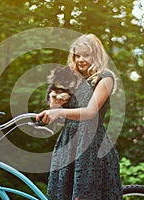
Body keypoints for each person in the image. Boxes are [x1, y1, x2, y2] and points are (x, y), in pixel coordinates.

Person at [36, 34, 123, 200]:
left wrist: (59, 112)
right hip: (68, 141)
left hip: (90, 143)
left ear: (96, 54)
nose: (81, 59)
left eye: (86, 55)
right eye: (77, 55)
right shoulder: (73, 78)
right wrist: (55, 97)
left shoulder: (105, 77)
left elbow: (90, 112)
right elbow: (55, 107)